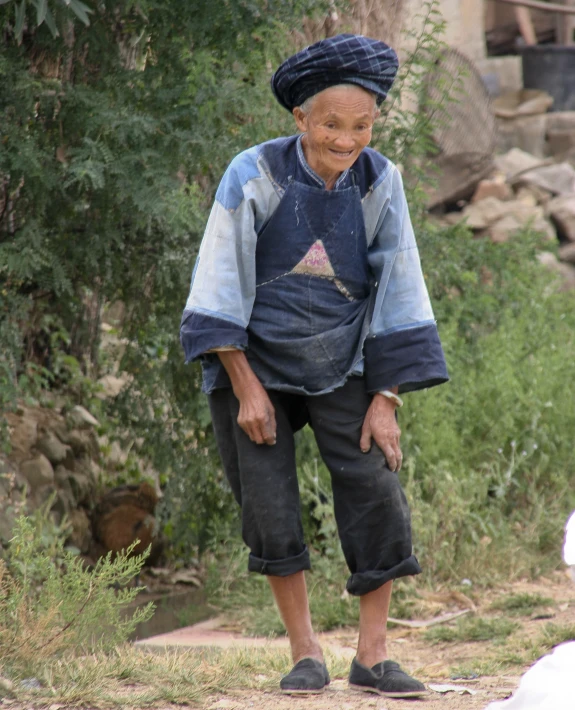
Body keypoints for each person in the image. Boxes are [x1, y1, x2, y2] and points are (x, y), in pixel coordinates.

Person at [180, 34, 448, 698]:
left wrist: (386, 394)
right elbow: (218, 280)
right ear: (300, 119)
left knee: (373, 486)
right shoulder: (253, 173)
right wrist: (245, 386)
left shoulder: (379, 179)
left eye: (359, 125)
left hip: (347, 357)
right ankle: (304, 653)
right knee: (268, 505)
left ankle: (373, 656)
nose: (345, 138)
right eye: (330, 124)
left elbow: (399, 282)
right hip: (252, 360)